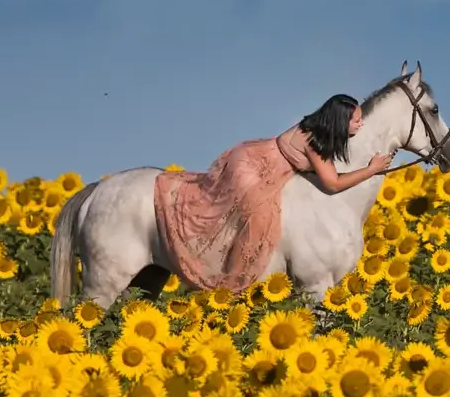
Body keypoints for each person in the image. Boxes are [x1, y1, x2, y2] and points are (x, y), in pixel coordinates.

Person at [154, 94, 395, 294]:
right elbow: (332, 184)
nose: (360, 125)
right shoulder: (315, 140)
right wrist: (371, 170)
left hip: (264, 161)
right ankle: (232, 282)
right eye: (356, 121)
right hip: (253, 169)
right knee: (258, 217)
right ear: (339, 121)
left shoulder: (320, 129)